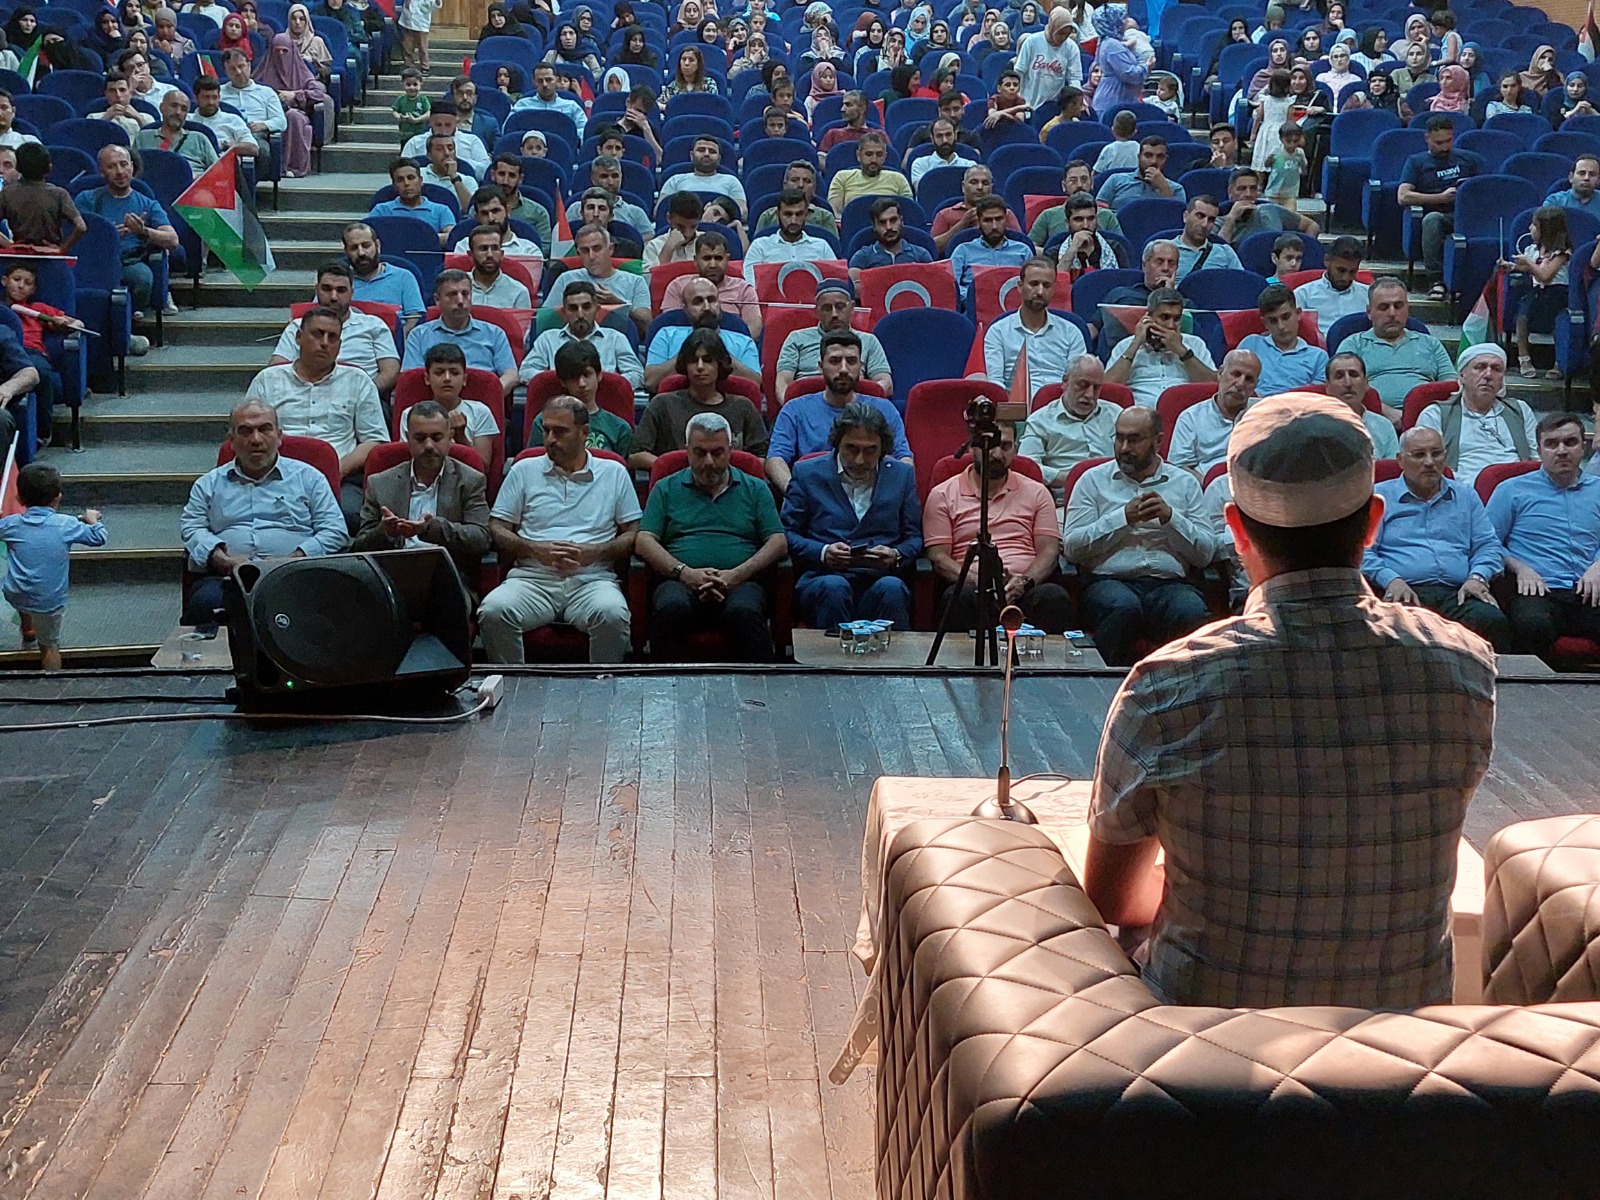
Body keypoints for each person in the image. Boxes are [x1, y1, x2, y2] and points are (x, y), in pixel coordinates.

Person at [1083, 393, 1497, 1008]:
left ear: (1236, 527)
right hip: (1403, 1055)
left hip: (1207, 1054)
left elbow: (1113, 900)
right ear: (1375, 519)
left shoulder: (1165, 686)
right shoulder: (1465, 667)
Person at [478, 395, 640, 663]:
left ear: (584, 432)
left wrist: (595, 552)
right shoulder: (524, 469)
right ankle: (512, 687)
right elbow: (497, 527)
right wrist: (533, 549)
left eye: (560, 431)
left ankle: (602, 690)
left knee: (612, 615)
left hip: (591, 580)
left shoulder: (613, 472)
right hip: (532, 578)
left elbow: (633, 533)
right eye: (546, 430)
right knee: (494, 611)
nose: (551, 439)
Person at [1063, 405, 1215, 665]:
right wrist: (1123, 518)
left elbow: (1205, 555)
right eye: (1119, 437)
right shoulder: (1092, 481)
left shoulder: (1185, 483)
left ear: (1158, 441)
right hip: (1108, 582)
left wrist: (1170, 518)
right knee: (1123, 608)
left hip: (1170, 585)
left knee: (1190, 611)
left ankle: (1188, 695)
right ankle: (1103, 692)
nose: (1124, 448)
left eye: (1134, 439)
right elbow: (1072, 547)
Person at [634, 412, 789, 661]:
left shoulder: (755, 488)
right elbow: (644, 540)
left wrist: (735, 575)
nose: (709, 462)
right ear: (687, 451)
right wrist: (686, 573)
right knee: (671, 608)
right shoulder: (666, 487)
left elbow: (778, 542)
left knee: (745, 612)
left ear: (731, 449)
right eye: (700, 452)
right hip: (680, 581)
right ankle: (663, 689)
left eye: (717, 452)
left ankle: (760, 692)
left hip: (741, 582)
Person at [179, 399, 348, 624]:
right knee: (205, 603)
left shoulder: (310, 478)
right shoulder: (208, 484)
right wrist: (220, 558)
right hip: (229, 579)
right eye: (246, 431)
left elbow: (335, 530)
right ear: (231, 441)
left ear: (279, 437)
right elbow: (192, 527)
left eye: (264, 429)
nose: (256, 439)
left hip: (298, 576)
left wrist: (293, 559)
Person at [1363, 426, 1512, 650]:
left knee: (1493, 622)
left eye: (1437, 453)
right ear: (1400, 460)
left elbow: (1488, 545)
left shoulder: (1465, 496)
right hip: (1404, 592)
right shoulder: (1380, 497)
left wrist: (1477, 577)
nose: (1430, 462)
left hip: (1459, 592)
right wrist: (1390, 579)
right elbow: (1362, 551)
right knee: (1395, 632)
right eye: (1419, 455)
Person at [780, 402, 922, 630]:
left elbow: (914, 538)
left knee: (892, 588)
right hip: (824, 580)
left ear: (883, 448)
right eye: (851, 449)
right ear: (837, 444)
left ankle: (895, 665)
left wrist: (896, 555)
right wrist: (823, 552)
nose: (859, 460)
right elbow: (786, 533)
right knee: (834, 587)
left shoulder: (901, 475)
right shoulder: (807, 473)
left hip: (879, 579)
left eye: (870, 451)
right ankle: (832, 665)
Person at [923, 416, 1072, 633]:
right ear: (973, 446)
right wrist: (979, 581)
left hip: (1025, 587)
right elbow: (938, 557)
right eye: (990, 445)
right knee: (956, 598)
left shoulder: (1037, 492)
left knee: (1054, 597)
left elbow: (1049, 552)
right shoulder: (943, 494)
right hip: (971, 587)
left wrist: (1023, 582)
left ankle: (1042, 668)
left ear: (1016, 447)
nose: (997, 454)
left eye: (1006, 446)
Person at [247, 305, 387, 524]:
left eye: (332, 337)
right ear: (299, 338)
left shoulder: (359, 381)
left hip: (339, 477)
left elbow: (375, 440)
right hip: (273, 475)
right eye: (317, 334)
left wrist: (335, 470)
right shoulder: (268, 380)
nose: (324, 343)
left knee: (350, 516)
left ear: (339, 346)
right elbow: (247, 432)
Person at [1487, 412, 1600, 656]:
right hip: (1538, 590)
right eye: (1551, 444)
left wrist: (1599, 566)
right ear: (1539, 450)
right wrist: (1519, 568)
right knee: (1533, 626)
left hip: (1590, 588)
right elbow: (1487, 542)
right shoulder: (1511, 490)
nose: (1561, 451)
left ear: (1584, 447)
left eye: (1570, 442)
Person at [353, 400, 492, 590]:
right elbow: (360, 547)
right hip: (391, 577)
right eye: (420, 438)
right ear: (408, 439)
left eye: (436, 438)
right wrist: (385, 532)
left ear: (450, 437)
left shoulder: (470, 480)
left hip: (446, 575)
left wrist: (431, 528)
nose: (428, 446)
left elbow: (481, 539)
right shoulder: (380, 483)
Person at [767, 331, 909, 494]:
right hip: (814, 498)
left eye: (851, 361)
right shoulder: (794, 409)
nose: (843, 369)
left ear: (860, 367)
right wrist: (797, 493)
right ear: (820, 367)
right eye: (835, 361)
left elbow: (904, 458)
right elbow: (775, 460)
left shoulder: (885, 409)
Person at [0, 464, 106, 671]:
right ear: (58, 497)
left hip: (16, 592)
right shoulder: (67, 525)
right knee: (49, 645)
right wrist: (92, 519)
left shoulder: (11, 524)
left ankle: (28, 628)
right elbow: (99, 537)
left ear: (20, 499)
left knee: (22, 594)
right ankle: (52, 684)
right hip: (48, 601)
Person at [631, 328, 769, 470]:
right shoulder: (662, 404)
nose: (700, 367)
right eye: (693, 361)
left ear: (719, 364)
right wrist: (675, 468)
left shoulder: (743, 407)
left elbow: (761, 458)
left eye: (708, 360)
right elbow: (636, 455)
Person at [77, 146, 179, 335]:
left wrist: (143, 231)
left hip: (129, 262)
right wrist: (107, 236)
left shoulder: (147, 203)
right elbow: (73, 236)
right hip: (96, 263)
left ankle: (128, 321)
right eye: (112, 167)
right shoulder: (87, 199)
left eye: (124, 165)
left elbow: (172, 240)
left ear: (132, 167)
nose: (120, 172)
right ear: (101, 171)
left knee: (143, 278)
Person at [1414, 344, 1538, 488]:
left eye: (1496, 369)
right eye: (1480, 367)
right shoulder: (1436, 414)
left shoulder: (1520, 409)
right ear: (1462, 375)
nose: (1488, 375)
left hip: (1518, 490)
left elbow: (1537, 458)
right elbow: (1425, 466)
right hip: (1462, 492)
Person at [270, 263, 399, 397]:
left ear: (351, 293)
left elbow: (391, 372)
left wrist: (363, 394)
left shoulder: (374, 325)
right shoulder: (298, 326)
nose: (333, 297)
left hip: (362, 398)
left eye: (341, 290)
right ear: (316, 290)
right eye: (326, 289)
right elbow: (275, 370)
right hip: (302, 397)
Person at [1340, 277, 1453, 419]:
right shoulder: (1353, 345)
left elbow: (1451, 387)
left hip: (1428, 419)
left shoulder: (1431, 343)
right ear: (1369, 312)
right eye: (1384, 307)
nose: (1392, 313)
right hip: (1370, 419)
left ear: (1408, 309)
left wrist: (1423, 415)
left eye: (1398, 306)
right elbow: (1342, 387)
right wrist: (1384, 411)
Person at [1018, 354, 1120, 506]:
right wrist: (1070, 478)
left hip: (1114, 499)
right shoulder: (1040, 420)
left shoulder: (1116, 415)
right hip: (1065, 502)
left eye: (1096, 388)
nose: (1089, 395)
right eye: (1083, 385)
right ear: (1065, 382)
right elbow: (1027, 466)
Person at [982, 257, 1088, 403]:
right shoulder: (998, 331)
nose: (1040, 291)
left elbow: (1078, 381)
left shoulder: (1071, 332)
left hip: (1060, 408)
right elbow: (996, 383)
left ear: (1053, 289)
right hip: (1017, 407)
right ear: (1020, 286)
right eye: (1033, 284)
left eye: (1046, 285)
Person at [1398, 116, 1481, 302]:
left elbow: (1487, 189)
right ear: (1427, 138)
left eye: (1448, 141)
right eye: (1439, 142)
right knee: (1432, 220)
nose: (1444, 147)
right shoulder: (1416, 162)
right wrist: (1440, 197)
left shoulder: (1468, 159)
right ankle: (1436, 280)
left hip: (1467, 215)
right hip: (1438, 215)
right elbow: (1403, 196)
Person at [401, 270, 519, 397]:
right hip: (434, 407)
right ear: (437, 299)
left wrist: (490, 395)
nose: (461, 300)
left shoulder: (495, 333)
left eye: (465, 294)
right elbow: (411, 378)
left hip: (483, 405)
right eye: (452, 294)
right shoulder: (419, 335)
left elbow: (511, 375)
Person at [774, 281, 894, 398]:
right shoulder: (797, 338)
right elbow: (783, 383)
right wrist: (792, 407)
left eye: (840, 307)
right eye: (827, 308)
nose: (834, 314)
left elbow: (885, 383)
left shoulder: (869, 340)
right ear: (816, 311)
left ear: (852, 308)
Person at [521, 279, 645, 391]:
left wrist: (598, 383)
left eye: (586, 307)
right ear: (564, 311)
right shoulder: (547, 339)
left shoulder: (615, 338)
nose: (580, 314)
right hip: (559, 405)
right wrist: (565, 381)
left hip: (604, 404)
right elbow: (526, 372)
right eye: (573, 308)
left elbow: (636, 374)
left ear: (597, 308)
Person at [1105, 288, 1218, 407]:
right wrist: (1136, 343)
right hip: (1140, 413)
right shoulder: (1126, 345)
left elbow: (1212, 386)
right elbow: (1108, 389)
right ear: (1148, 317)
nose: (1171, 325)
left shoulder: (1195, 343)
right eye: (1165, 317)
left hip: (1184, 411)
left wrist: (1182, 351)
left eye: (1176, 319)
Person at [644, 277, 761, 388]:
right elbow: (650, 382)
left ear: (720, 304)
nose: (706, 307)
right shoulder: (666, 336)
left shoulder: (743, 342)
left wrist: (720, 352)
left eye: (711, 300)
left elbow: (754, 386)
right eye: (698, 302)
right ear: (685, 309)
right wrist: (688, 351)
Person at [394, 343, 498, 465]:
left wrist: (461, 438)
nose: (447, 378)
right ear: (427, 379)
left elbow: (483, 466)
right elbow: (408, 461)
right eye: (439, 372)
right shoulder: (411, 414)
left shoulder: (480, 412)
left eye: (454, 373)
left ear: (464, 379)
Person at [527, 340, 634, 457]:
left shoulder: (619, 428)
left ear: (599, 375)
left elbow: (622, 471)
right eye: (574, 378)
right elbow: (534, 464)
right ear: (563, 382)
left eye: (587, 375)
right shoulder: (545, 422)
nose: (582, 383)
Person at [1166, 349, 1262, 476]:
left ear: (1256, 385)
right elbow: (1179, 467)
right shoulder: (1190, 418)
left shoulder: (1264, 413)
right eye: (1236, 374)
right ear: (1220, 373)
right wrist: (1209, 488)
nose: (1240, 384)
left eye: (1249, 379)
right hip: (1206, 486)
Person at [1502, 205, 1572, 381]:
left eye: (1534, 225)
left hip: (1558, 293)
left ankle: (1559, 362)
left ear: (1546, 231)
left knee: (1559, 323)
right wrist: (1512, 267)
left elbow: (1545, 275)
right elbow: (1528, 269)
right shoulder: (1533, 250)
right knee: (1522, 317)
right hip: (1536, 292)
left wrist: (1527, 262)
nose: (1529, 228)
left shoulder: (1561, 253)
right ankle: (1524, 358)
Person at [550, 224, 652, 337]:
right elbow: (547, 320)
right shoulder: (566, 279)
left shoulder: (635, 282)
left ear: (610, 249)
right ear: (578, 254)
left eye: (597, 248)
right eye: (585, 251)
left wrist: (618, 304)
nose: (592, 256)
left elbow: (647, 324)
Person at [663, 232, 762, 339]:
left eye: (718, 258)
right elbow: (670, 326)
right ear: (695, 260)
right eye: (707, 258)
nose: (713, 265)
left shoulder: (744, 289)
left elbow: (754, 328)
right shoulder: (677, 286)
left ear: (727, 259)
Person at [1235, 285, 1327, 395]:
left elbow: (1316, 398)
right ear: (1265, 323)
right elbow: (1231, 381)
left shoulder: (1318, 357)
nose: (1281, 326)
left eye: (1286, 317)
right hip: (1254, 406)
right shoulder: (1250, 345)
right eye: (1273, 321)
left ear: (1298, 314)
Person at [0, 144, 84, 256]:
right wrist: (62, 249)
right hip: (51, 255)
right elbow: (81, 227)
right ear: (49, 167)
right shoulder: (59, 194)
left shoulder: (7, 193)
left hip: (19, 254)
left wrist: (9, 245)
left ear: (18, 168)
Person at [742, 188, 839, 283]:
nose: (793, 220)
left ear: (806, 214)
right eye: (788, 214)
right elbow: (750, 286)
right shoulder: (759, 246)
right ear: (777, 214)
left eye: (799, 214)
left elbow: (834, 284)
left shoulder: (822, 246)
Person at [341, 222, 426, 332]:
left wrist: (395, 343)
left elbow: (414, 318)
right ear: (346, 252)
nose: (361, 253)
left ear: (377, 246)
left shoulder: (404, 277)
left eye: (366, 246)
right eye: (354, 248)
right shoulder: (338, 281)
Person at [949, 196, 1031, 306]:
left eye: (999, 219)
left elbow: (1032, 284)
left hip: (1014, 306)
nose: (994, 226)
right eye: (988, 220)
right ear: (979, 222)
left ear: (1006, 219)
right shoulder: (963, 250)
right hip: (974, 307)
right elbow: (952, 286)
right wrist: (972, 298)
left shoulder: (1023, 250)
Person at [220, 50, 291, 167]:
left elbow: (281, 122)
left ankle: (250, 184)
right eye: (232, 68)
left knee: (263, 151)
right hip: (225, 134)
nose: (238, 72)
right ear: (226, 71)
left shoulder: (266, 92)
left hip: (254, 135)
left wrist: (262, 125)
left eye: (241, 66)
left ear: (249, 66)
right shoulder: (219, 93)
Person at [930, 165, 1021, 253]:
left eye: (985, 183)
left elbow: (1021, 244)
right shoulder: (945, 214)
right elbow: (933, 249)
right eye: (974, 182)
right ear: (963, 186)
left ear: (991, 188)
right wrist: (962, 224)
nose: (980, 187)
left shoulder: (1006, 214)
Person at [1217, 167, 1319, 245]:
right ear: (1230, 192)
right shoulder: (1216, 221)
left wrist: (1305, 254)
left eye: (1253, 188)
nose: (1248, 194)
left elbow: (1312, 226)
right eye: (1242, 188)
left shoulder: (1271, 210)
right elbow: (1219, 252)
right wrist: (1231, 219)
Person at [1325, 351, 1398, 457]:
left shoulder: (1383, 426)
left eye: (1354, 375)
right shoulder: (1314, 429)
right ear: (1328, 387)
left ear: (1366, 383)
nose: (1348, 383)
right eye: (1339, 376)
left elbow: (1392, 470)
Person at [562, 155, 652, 241]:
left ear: (621, 177)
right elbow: (562, 240)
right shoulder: (575, 209)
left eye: (615, 176)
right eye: (604, 176)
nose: (610, 182)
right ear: (593, 179)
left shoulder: (636, 212)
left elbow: (648, 239)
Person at [1293, 235, 1368, 338]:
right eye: (1341, 270)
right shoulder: (1303, 295)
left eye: (1352, 272)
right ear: (1327, 260)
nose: (1346, 278)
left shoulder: (1369, 295)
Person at [370, 158, 457, 245]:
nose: (406, 183)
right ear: (394, 185)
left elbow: (453, 237)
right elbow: (366, 237)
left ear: (421, 181)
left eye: (411, 178)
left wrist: (411, 238)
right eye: (400, 180)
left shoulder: (441, 210)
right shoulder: (381, 210)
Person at [827, 131, 913, 217]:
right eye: (869, 154)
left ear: (885, 156)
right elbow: (836, 213)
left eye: (879, 154)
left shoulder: (899, 179)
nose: (874, 160)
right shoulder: (842, 177)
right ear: (858, 155)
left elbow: (909, 212)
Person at [656, 135, 747, 215]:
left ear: (719, 159)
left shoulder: (731, 181)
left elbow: (742, 213)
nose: (706, 154)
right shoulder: (675, 180)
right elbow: (659, 211)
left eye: (712, 151)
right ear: (691, 155)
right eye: (701, 150)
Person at [848, 197, 933, 281]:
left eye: (893, 220)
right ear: (874, 226)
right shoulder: (862, 258)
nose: (888, 227)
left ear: (901, 221)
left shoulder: (921, 255)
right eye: (882, 222)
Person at [1015, 8, 1082, 111]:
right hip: (1027, 102)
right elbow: (1019, 72)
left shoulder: (1071, 48)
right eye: (1060, 33)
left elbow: (1074, 79)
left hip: (1053, 104)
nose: (1063, 38)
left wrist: (1078, 101)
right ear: (1052, 28)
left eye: (1067, 34)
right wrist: (1017, 99)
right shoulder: (1032, 42)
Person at [1096, 136, 1187, 212]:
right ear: (1139, 157)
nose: (1153, 161)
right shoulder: (1115, 180)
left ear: (1166, 159)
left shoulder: (1176, 189)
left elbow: (1177, 217)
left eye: (1160, 157)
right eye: (1148, 155)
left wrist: (1163, 187)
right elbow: (1098, 212)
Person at [752, 161, 837, 235]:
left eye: (807, 181)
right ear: (785, 185)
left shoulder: (825, 217)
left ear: (814, 188)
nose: (800, 185)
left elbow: (833, 249)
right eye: (794, 180)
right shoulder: (767, 217)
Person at [191, 75, 260, 162]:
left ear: (219, 97)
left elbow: (253, 148)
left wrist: (225, 146)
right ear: (196, 98)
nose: (211, 102)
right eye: (206, 97)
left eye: (214, 97)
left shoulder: (233, 120)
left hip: (222, 167)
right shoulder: (187, 121)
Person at [1172, 195, 1244, 280]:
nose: (1204, 224)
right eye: (1200, 216)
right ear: (1185, 216)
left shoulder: (1226, 252)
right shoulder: (1162, 248)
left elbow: (1241, 283)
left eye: (1211, 220)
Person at [511, 64, 588, 141]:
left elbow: (583, 132)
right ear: (534, 82)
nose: (544, 84)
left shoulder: (572, 107)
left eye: (548, 80)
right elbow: (509, 129)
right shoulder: (522, 105)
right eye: (540, 81)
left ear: (557, 80)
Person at [464, 226, 531, 308]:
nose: (489, 255)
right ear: (470, 255)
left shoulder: (518, 292)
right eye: (483, 249)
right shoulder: (456, 288)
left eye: (494, 248)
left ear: (502, 254)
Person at [908, 117, 978, 189]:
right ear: (932, 139)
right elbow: (923, 192)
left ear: (955, 136)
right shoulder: (920, 165)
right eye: (939, 136)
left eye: (948, 135)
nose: (944, 140)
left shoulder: (970, 166)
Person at [643, 192, 702, 268]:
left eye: (693, 226)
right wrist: (668, 249)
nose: (688, 234)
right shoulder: (654, 246)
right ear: (669, 218)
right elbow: (650, 279)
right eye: (681, 227)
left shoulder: (709, 243)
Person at [94, 71, 153, 140]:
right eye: (112, 91)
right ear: (106, 94)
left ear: (130, 93)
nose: (118, 95)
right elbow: (90, 140)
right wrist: (106, 118)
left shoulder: (147, 118)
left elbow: (155, 142)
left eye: (122, 90)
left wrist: (138, 118)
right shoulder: (94, 118)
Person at [1544, 155, 1600, 222]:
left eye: (1592, 174)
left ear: (1598, 180)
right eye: (1581, 173)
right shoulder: (1554, 201)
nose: (1586, 178)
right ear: (1571, 177)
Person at [818, 89, 871, 154]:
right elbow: (821, 160)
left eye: (848, 105)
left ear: (862, 108)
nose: (842, 109)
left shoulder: (879, 135)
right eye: (843, 105)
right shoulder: (832, 135)